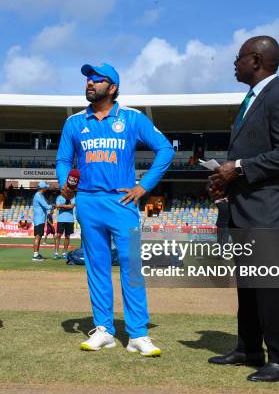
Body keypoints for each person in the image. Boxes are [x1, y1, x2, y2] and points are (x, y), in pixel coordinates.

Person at [208, 36, 279, 382]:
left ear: (255, 60)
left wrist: (237, 167)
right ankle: (249, 348)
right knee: (248, 283)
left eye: (239, 58)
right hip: (247, 206)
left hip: (269, 209)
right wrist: (225, 178)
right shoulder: (253, 98)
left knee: (267, 284)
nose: (234, 64)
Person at [56, 62, 174, 356]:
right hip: (87, 201)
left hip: (123, 203)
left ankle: (138, 334)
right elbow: (62, 161)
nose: (90, 83)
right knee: (96, 267)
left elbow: (166, 149)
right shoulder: (74, 123)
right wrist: (64, 185)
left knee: (132, 267)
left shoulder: (133, 119)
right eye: (87, 79)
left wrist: (143, 186)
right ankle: (104, 330)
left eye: (97, 79)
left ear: (113, 87)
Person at [32, 182, 51, 261]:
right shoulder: (38, 195)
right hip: (39, 219)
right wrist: (54, 206)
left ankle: (36, 254)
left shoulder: (40, 195)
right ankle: (35, 255)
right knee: (38, 236)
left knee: (39, 237)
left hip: (40, 219)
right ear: (42, 188)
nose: (46, 189)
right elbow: (46, 206)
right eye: (45, 187)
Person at [54, 194, 76, 259]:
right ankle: (56, 253)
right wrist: (67, 206)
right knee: (58, 236)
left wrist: (62, 206)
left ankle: (64, 253)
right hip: (61, 219)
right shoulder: (59, 197)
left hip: (70, 220)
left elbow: (72, 206)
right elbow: (57, 207)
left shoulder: (73, 196)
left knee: (67, 236)